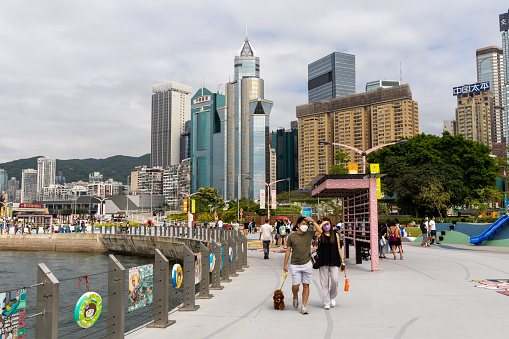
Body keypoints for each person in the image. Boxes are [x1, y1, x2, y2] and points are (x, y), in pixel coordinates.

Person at [283, 216, 323, 315]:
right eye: (303, 224)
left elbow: (320, 231)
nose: (305, 226)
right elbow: (288, 251)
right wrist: (285, 265)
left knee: (306, 285)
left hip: (307, 263)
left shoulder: (309, 234)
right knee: (295, 286)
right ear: (298, 225)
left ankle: (304, 305)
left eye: (306, 224)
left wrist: (313, 221)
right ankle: (295, 296)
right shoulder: (292, 236)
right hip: (295, 264)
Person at [316, 217, 345, 309]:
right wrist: (321, 224)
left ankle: (332, 296)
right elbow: (316, 233)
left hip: (334, 260)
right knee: (324, 282)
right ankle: (326, 302)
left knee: (335, 280)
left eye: (328, 224)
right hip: (323, 260)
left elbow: (339, 248)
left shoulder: (335, 235)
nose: (326, 226)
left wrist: (342, 260)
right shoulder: (321, 235)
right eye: (325, 224)